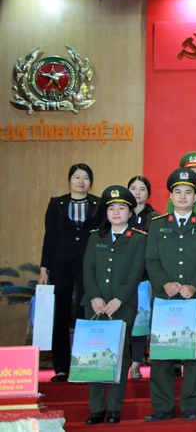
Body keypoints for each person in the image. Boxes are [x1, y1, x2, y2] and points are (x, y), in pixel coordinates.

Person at [144, 169, 196, 422]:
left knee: (193, 356)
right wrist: (165, 284)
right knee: (162, 356)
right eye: (178, 192)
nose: (183, 196)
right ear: (171, 195)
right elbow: (151, 259)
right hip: (165, 298)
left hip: (192, 298)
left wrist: (193, 286)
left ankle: (189, 406)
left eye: (189, 192)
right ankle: (162, 407)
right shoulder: (157, 225)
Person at [82, 186, 146, 425]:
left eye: (122, 208)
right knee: (95, 355)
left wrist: (119, 298)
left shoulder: (139, 239)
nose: (116, 212)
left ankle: (115, 408)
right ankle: (97, 409)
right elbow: (87, 269)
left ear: (130, 213)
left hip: (123, 305)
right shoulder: (95, 237)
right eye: (111, 208)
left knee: (120, 355)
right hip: (95, 306)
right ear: (106, 212)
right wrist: (95, 297)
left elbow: (136, 272)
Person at [39, 163, 104, 382]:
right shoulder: (57, 204)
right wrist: (44, 268)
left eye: (86, 177)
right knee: (61, 313)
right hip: (61, 263)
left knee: (86, 311)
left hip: (89, 263)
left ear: (91, 182)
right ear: (69, 180)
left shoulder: (99, 204)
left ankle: (85, 363)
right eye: (77, 177)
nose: (81, 181)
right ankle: (61, 368)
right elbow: (50, 237)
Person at [127, 176, 161, 380]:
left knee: (141, 320)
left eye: (142, 189)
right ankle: (123, 362)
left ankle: (135, 364)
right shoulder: (120, 213)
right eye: (133, 188)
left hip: (145, 277)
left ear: (148, 194)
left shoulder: (156, 217)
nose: (137, 192)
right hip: (123, 275)